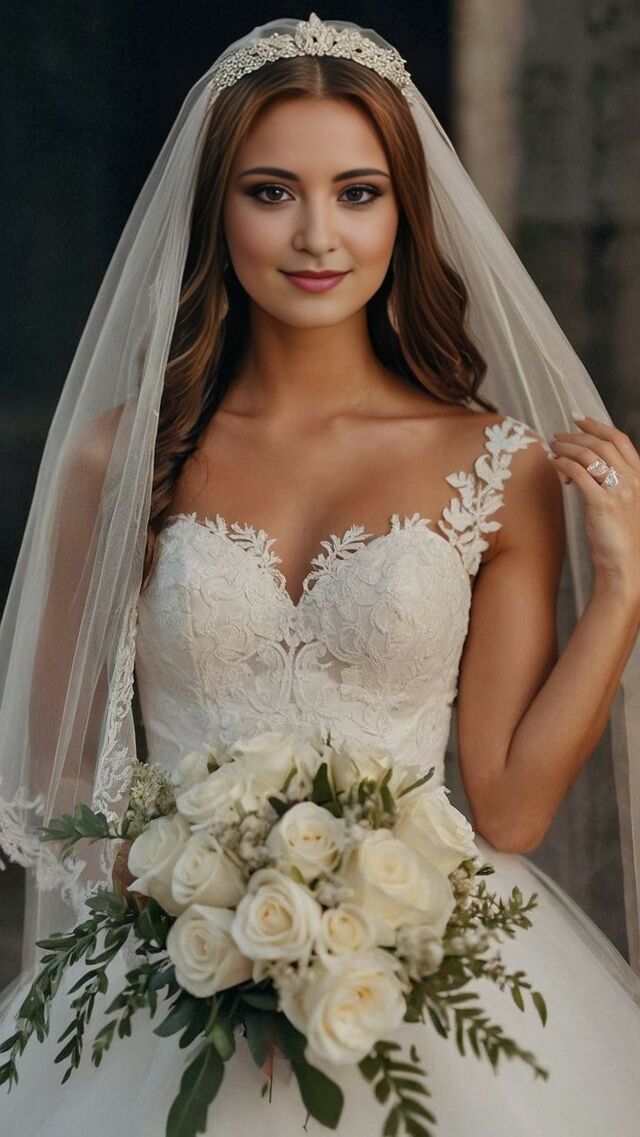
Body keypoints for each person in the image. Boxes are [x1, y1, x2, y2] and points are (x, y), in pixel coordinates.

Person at [0, 12, 639, 1136]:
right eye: (268, 191)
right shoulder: (119, 452)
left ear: (404, 210)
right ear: (216, 210)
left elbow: (512, 807)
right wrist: (198, 898)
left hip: (430, 970)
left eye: (356, 191)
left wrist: (623, 593)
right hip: (176, 967)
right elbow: (62, 786)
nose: (314, 236)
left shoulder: (497, 464)